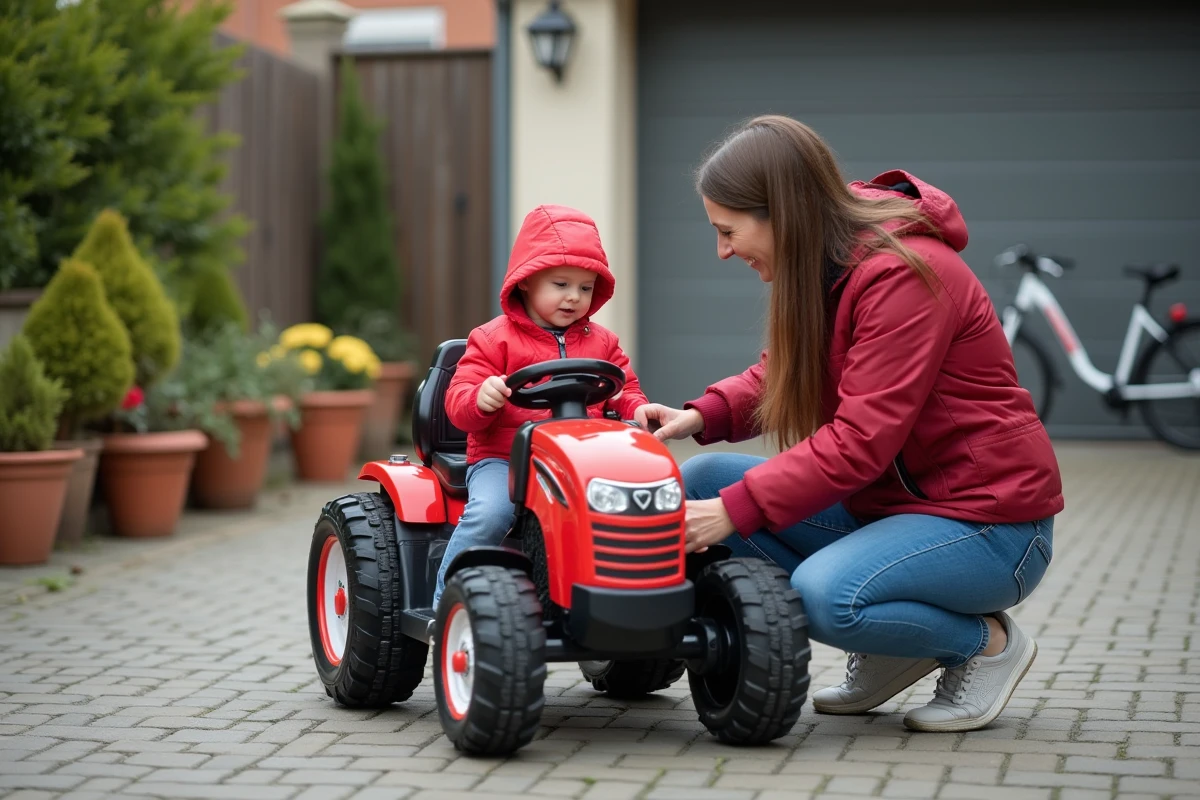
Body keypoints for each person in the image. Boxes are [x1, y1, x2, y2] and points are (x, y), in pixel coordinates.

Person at [635, 115, 1064, 732]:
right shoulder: (829, 261)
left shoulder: (904, 274)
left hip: (991, 524)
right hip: (895, 509)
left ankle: (987, 645)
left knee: (823, 595)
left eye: (728, 231)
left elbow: (860, 442)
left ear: (780, 212)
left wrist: (739, 509)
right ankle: (899, 648)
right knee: (701, 480)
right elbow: (784, 374)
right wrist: (703, 412)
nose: (723, 251)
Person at [433, 204, 650, 607]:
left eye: (585, 288)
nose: (574, 297)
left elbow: (624, 387)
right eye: (562, 284)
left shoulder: (602, 342)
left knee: (630, 505)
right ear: (527, 282)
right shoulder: (492, 339)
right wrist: (482, 398)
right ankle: (446, 602)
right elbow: (459, 403)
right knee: (492, 514)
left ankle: (621, 599)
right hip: (504, 459)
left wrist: (638, 410)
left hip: (582, 461)